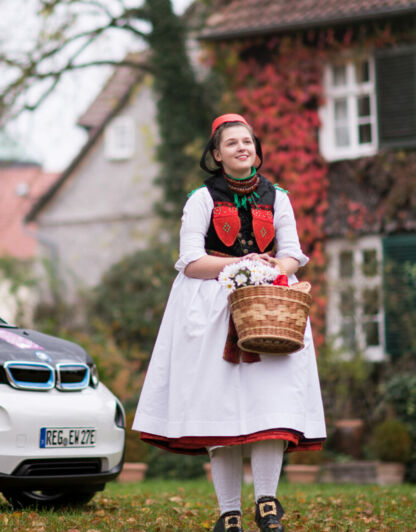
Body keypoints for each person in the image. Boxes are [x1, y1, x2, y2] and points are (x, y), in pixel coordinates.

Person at [132, 113, 326, 532]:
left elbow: (293, 253)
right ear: (217, 155)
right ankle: (228, 513)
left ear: (256, 150)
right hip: (211, 313)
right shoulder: (200, 199)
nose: (242, 147)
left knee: (272, 405)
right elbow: (191, 261)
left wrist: (274, 265)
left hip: (270, 307)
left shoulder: (279, 197)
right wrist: (240, 264)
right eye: (232, 143)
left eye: (248, 142)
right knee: (219, 409)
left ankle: (268, 504)